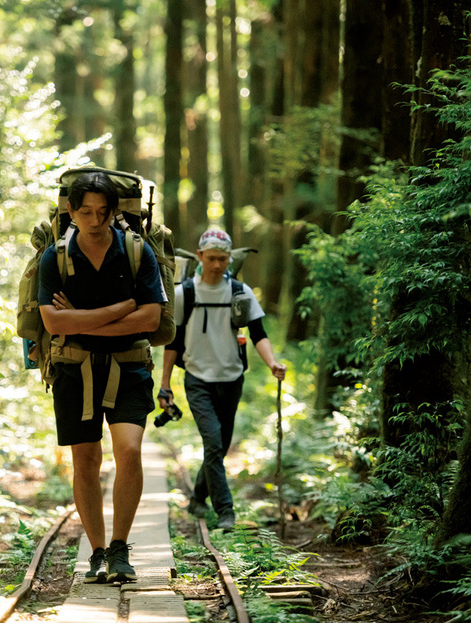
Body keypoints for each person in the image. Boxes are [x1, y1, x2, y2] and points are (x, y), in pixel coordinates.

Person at [38, 171, 166, 583]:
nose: (94, 220)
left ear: (113, 213)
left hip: (129, 366)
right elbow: (51, 320)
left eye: (102, 212)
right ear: (71, 212)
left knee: (129, 451)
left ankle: (119, 548)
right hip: (73, 369)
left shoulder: (136, 252)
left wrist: (81, 322)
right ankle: (95, 552)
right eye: (85, 211)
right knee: (86, 461)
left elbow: (150, 316)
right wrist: (118, 311)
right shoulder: (54, 258)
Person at [158, 227, 286, 529]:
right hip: (198, 379)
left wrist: (272, 363)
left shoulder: (241, 292)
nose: (217, 264)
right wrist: (165, 385)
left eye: (223, 259)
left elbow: (259, 334)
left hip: (232, 378)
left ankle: (198, 499)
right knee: (214, 443)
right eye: (212, 258)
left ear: (230, 259)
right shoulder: (183, 293)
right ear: (200, 256)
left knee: (218, 447)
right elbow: (172, 344)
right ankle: (226, 511)